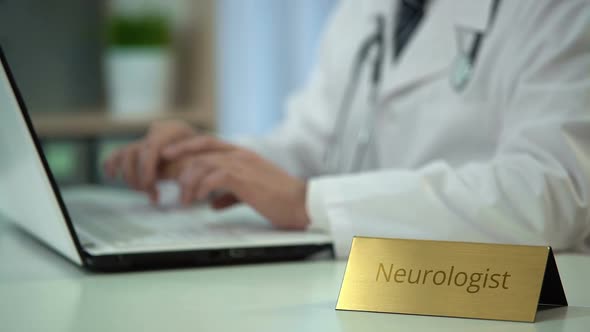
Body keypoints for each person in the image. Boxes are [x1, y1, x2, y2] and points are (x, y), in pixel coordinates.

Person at [104, 0, 590, 258]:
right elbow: (310, 143)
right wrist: (211, 160)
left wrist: (306, 204)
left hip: (501, 299)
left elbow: (552, 192)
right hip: (374, 285)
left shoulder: (560, 11)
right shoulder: (365, 8)